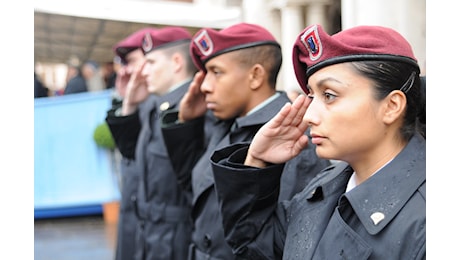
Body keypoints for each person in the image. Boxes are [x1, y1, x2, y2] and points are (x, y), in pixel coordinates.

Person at [209, 24, 426, 259]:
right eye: (311, 96)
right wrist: (256, 161)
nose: (309, 116)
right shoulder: (324, 187)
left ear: (391, 106)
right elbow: (255, 248)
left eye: (329, 96)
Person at [160, 23, 330, 260]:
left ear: (255, 75)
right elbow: (194, 189)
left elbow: (284, 243)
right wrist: (186, 123)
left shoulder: (290, 138)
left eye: (216, 72)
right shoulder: (229, 124)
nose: (205, 86)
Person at [106, 26, 202, 260]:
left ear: (177, 63)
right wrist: (129, 103)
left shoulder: (194, 108)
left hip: (177, 237)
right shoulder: (156, 106)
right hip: (151, 234)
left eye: (150, 63)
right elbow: (132, 155)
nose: (141, 71)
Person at [105, 27, 156, 260]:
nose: (127, 70)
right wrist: (127, 101)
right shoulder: (139, 96)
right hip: (133, 201)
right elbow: (128, 151)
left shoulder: (160, 100)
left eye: (132, 61)